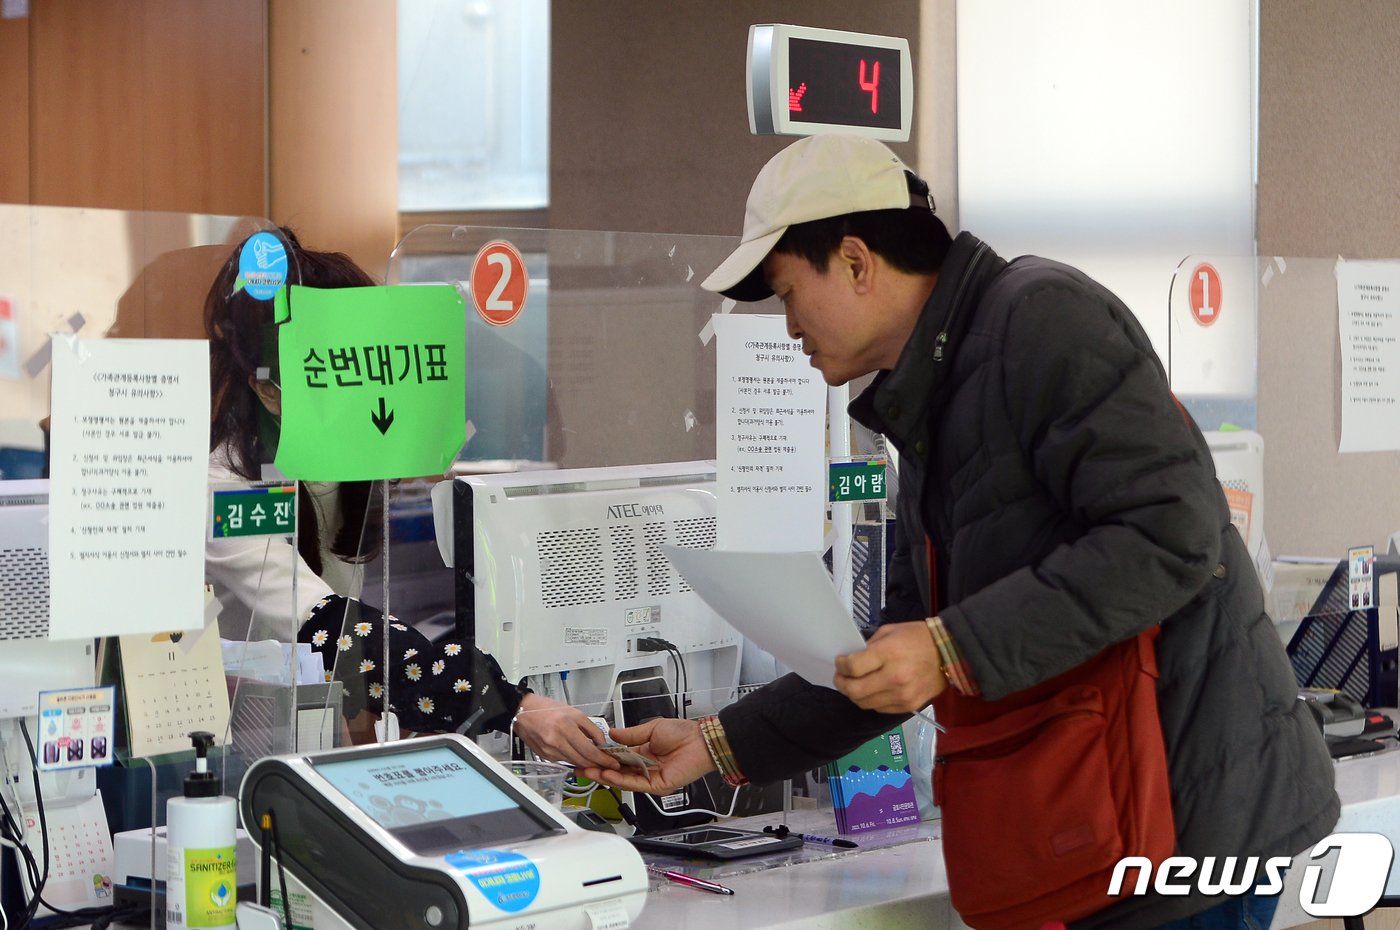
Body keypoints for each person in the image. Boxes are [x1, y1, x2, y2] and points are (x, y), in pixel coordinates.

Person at [581, 135, 1338, 929]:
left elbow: (1172, 535)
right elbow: (891, 658)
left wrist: (950, 648)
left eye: (785, 290)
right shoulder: (933, 400)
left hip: (1185, 825)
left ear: (855, 260)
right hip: (1099, 823)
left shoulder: (1042, 321)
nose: (788, 325)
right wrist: (718, 742)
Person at [204, 228, 618, 768]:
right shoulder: (222, 489)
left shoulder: (340, 462)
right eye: (338, 373)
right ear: (269, 391)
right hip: (234, 755)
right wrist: (509, 705)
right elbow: (325, 622)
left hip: (322, 737)